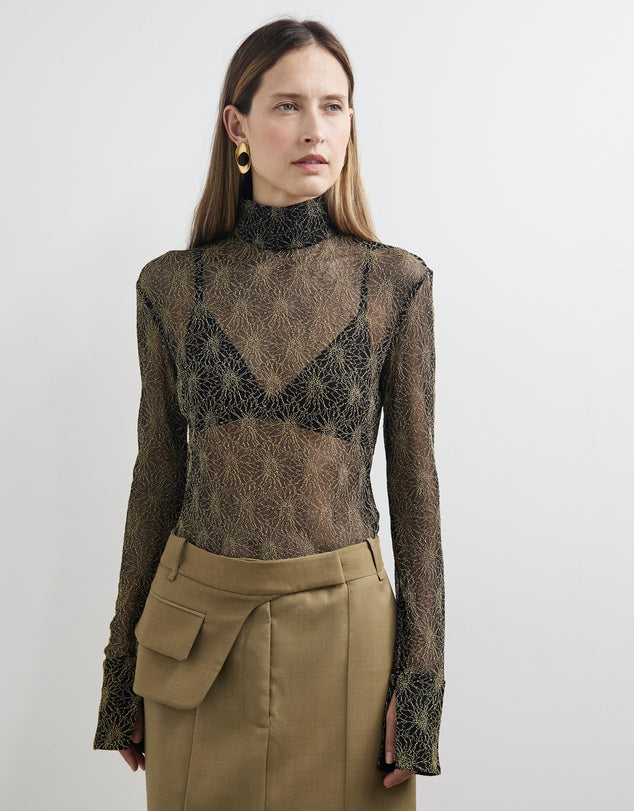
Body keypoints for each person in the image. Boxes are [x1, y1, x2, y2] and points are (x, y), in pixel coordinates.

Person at [93, 16, 445, 811]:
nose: (315, 128)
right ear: (238, 125)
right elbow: (157, 478)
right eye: (288, 105)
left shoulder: (396, 284)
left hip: (348, 642)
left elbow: (416, 489)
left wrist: (421, 680)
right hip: (192, 640)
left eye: (334, 105)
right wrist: (120, 668)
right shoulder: (170, 287)